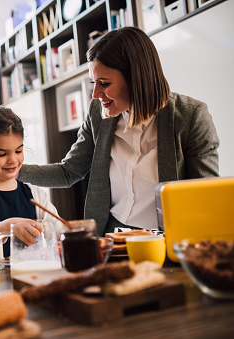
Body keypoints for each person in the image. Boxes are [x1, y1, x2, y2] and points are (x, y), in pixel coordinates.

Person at [18, 26, 219, 236]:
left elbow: (206, 196)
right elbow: (69, 171)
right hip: (112, 237)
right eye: (93, 83)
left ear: (137, 79)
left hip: (168, 238)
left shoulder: (191, 116)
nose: (95, 94)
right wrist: (13, 171)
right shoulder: (98, 113)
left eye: (104, 83)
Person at [0, 105, 60, 254]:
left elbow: (58, 230)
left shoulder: (35, 194)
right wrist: (5, 227)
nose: (13, 160)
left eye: (18, 151)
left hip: (33, 272)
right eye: (1, 154)